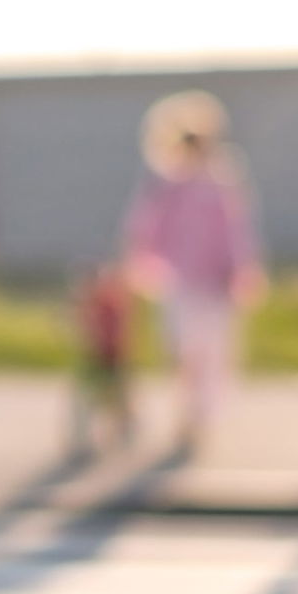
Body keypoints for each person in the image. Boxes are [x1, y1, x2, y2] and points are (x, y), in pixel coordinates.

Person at [122, 90, 263, 452]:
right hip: (182, 279)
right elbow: (148, 226)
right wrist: (141, 261)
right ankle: (186, 412)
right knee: (184, 349)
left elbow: (236, 230)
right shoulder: (169, 184)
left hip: (214, 281)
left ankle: (201, 414)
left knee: (212, 351)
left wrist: (242, 271)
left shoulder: (222, 181)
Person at [69, 259, 135, 456]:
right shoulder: (89, 306)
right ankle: (83, 439)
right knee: (87, 400)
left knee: (116, 400)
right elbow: (83, 331)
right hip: (94, 361)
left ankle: (122, 431)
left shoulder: (113, 305)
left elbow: (120, 335)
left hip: (112, 359)